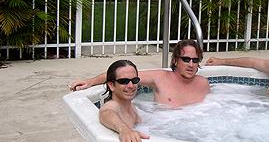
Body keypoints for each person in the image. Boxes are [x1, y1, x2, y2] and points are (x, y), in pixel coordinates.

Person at [71, 40, 210, 107]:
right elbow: (121, 75)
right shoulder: (159, 78)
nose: (191, 64)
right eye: (186, 59)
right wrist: (90, 82)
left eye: (195, 60)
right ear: (175, 60)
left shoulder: (203, 84)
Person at [99, 60, 150, 142]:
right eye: (123, 81)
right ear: (111, 85)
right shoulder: (113, 105)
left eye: (134, 80)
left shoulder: (132, 107)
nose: (130, 85)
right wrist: (124, 129)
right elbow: (106, 113)